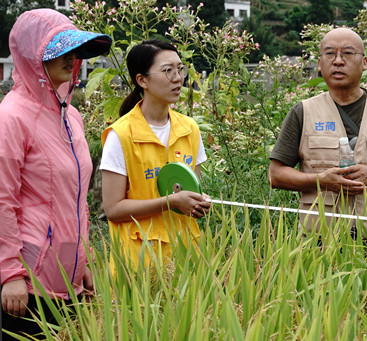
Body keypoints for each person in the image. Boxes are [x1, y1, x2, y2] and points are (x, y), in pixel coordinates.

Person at [0, 8, 112, 340]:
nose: (71, 58)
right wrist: (8, 274)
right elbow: (2, 200)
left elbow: (74, 196)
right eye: (59, 50)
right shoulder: (11, 117)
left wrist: (84, 263)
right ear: (32, 56)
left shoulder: (70, 115)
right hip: (27, 281)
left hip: (68, 274)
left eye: (74, 50)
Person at [269, 28, 367, 233]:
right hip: (319, 240)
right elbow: (276, 175)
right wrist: (320, 181)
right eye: (330, 54)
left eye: (348, 54)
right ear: (319, 63)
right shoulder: (303, 112)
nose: (338, 61)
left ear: (365, 63)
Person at [100, 40, 211, 271]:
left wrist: (198, 204)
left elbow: (192, 190)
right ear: (142, 80)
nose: (178, 78)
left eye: (180, 69)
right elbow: (112, 209)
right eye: (167, 70)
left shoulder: (189, 129)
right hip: (138, 262)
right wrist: (170, 202)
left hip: (186, 258)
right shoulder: (121, 135)